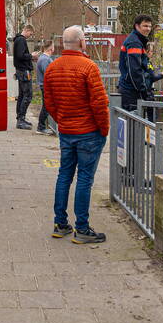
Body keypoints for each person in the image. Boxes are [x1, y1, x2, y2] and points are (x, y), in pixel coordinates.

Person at [43, 25, 110, 244]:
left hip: (66, 131)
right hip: (88, 132)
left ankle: (60, 223)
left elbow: (49, 102)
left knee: (64, 175)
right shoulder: (89, 67)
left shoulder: (52, 68)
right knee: (84, 179)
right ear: (82, 42)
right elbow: (99, 103)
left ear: (62, 43)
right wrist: (104, 129)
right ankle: (82, 228)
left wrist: (62, 120)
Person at [118, 14, 163, 112]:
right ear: (137, 26)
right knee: (134, 120)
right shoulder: (134, 43)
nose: (148, 29)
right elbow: (135, 70)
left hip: (130, 89)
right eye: (145, 26)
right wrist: (144, 92)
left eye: (150, 26)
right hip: (132, 92)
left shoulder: (137, 40)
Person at [12, 24, 36, 129]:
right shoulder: (21, 40)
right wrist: (32, 56)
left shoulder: (18, 40)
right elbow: (20, 56)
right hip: (24, 71)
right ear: (27, 30)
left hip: (20, 71)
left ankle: (20, 118)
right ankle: (21, 120)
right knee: (28, 95)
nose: (30, 36)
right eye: (30, 34)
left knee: (22, 95)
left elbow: (19, 56)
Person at [36, 40, 56, 135]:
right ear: (51, 48)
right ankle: (41, 127)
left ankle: (43, 126)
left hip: (45, 86)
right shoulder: (45, 59)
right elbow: (48, 74)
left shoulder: (44, 58)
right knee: (46, 106)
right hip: (46, 86)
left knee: (46, 106)